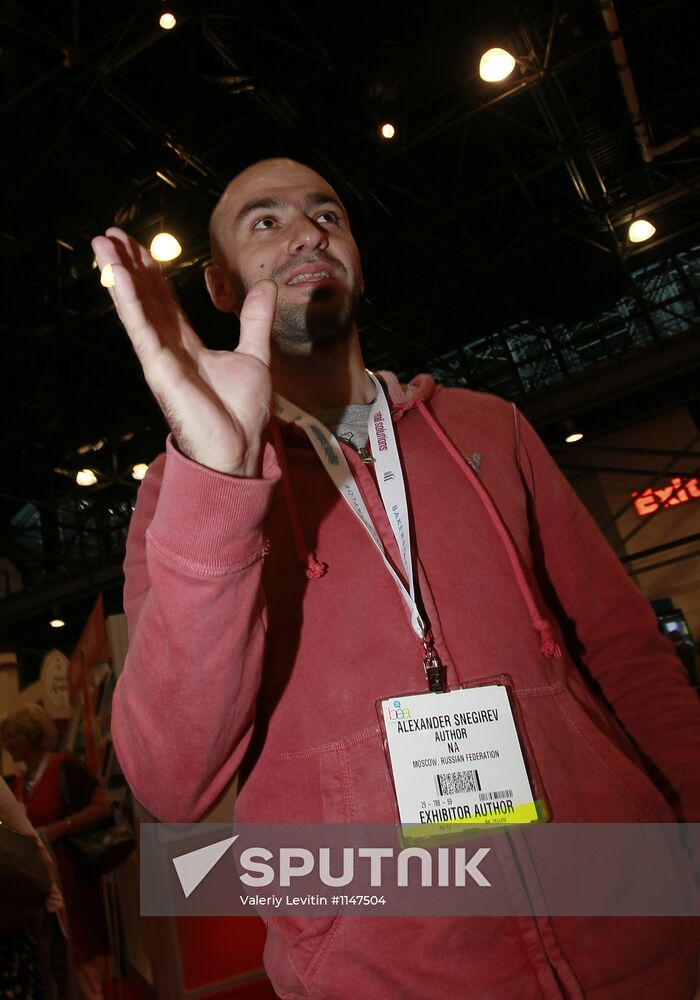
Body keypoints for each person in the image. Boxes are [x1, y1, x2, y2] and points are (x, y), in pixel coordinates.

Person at [93, 158, 700, 999]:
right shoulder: (183, 495)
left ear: (359, 259)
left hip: (640, 947)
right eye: (265, 221)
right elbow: (171, 779)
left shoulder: (491, 429)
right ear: (222, 285)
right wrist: (222, 481)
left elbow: (626, 659)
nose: (308, 231)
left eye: (328, 214)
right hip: (388, 976)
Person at [1, 704, 111, 1000]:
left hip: (73, 879)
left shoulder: (65, 767)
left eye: (12, 736)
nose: (6, 744)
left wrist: (57, 829)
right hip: (46, 885)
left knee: (82, 959)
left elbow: (102, 806)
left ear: (31, 735)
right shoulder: (20, 783)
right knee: (61, 961)